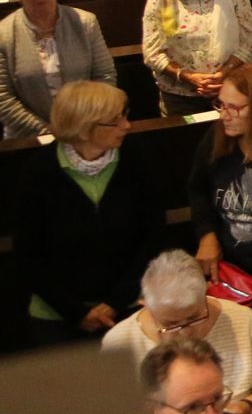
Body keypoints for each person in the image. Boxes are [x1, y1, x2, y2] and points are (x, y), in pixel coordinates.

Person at [18, 79, 163, 343]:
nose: (126, 126)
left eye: (125, 116)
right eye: (114, 121)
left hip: (129, 304)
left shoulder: (137, 158)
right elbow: (28, 256)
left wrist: (115, 303)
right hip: (57, 314)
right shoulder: (39, 172)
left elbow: (152, 235)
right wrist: (76, 312)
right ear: (84, 128)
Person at [103, 248, 252, 414]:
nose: (185, 333)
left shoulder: (239, 320)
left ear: (205, 293)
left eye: (194, 318)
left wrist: (247, 407)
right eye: (171, 324)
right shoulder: (121, 341)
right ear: (145, 305)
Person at [0, 0, 115, 141]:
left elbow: (105, 76)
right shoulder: (3, 34)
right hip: (28, 139)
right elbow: (3, 98)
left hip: (85, 131)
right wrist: (47, 131)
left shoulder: (86, 22)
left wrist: (85, 121)